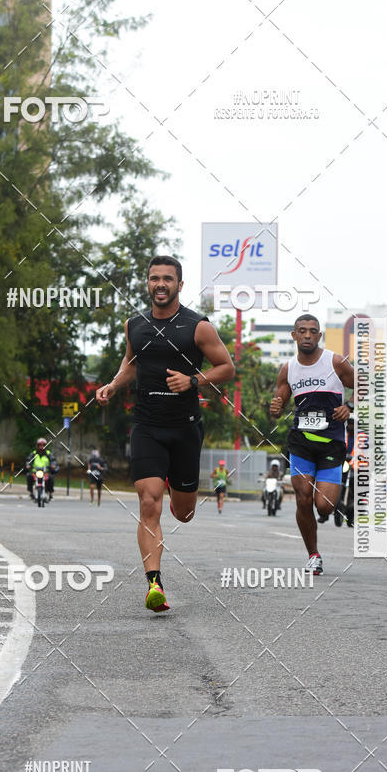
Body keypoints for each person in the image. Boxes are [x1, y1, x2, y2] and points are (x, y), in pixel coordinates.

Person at [96, 254, 235, 613]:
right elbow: (131, 365)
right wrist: (112, 385)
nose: (160, 284)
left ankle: (178, 494)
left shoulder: (197, 327)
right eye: (154, 278)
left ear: (179, 285)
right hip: (147, 427)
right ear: (148, 283)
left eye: (167, 279)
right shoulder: (134, 325)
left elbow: (226, 367)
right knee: (148, 502)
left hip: (185, 429)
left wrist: (193, 380)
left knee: (184, 513)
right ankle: (154, 585)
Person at [270, 315, 354, 575]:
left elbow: (364, 384)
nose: (307, 335)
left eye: (312, 331)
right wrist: (275, 408)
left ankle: (327, 506)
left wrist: (349, 406)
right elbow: (279, 403)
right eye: (302, 330)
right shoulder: (288, 369)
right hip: (301, 442)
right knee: (303, 498)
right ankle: (313, 555)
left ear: (319, 336)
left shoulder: (335, 362)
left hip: (332, 443)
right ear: (294, 335)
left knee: (324, 505)